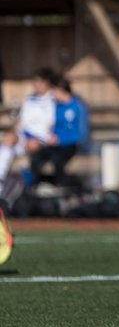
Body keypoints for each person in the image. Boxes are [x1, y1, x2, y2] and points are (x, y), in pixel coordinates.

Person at [0, 67, 60, 265]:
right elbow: (21, 124)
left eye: (39, 81)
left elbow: (53, 125)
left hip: (41, 140)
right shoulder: (30, 100)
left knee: (26, 144)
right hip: (25, 137)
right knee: (7, 140)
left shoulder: (54, 100)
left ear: (47, 83)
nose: (36, 85)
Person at [29, 76, 91, 189]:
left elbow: (81, 133)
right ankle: (34, 186)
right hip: (55, 144)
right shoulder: (56, 106)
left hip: (71, 144)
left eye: (55, 92)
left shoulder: (78, 107)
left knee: (57, 160)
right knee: (37, 157)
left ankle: (63, 187)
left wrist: (61, 139)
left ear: (62, 91)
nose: (53, 95)